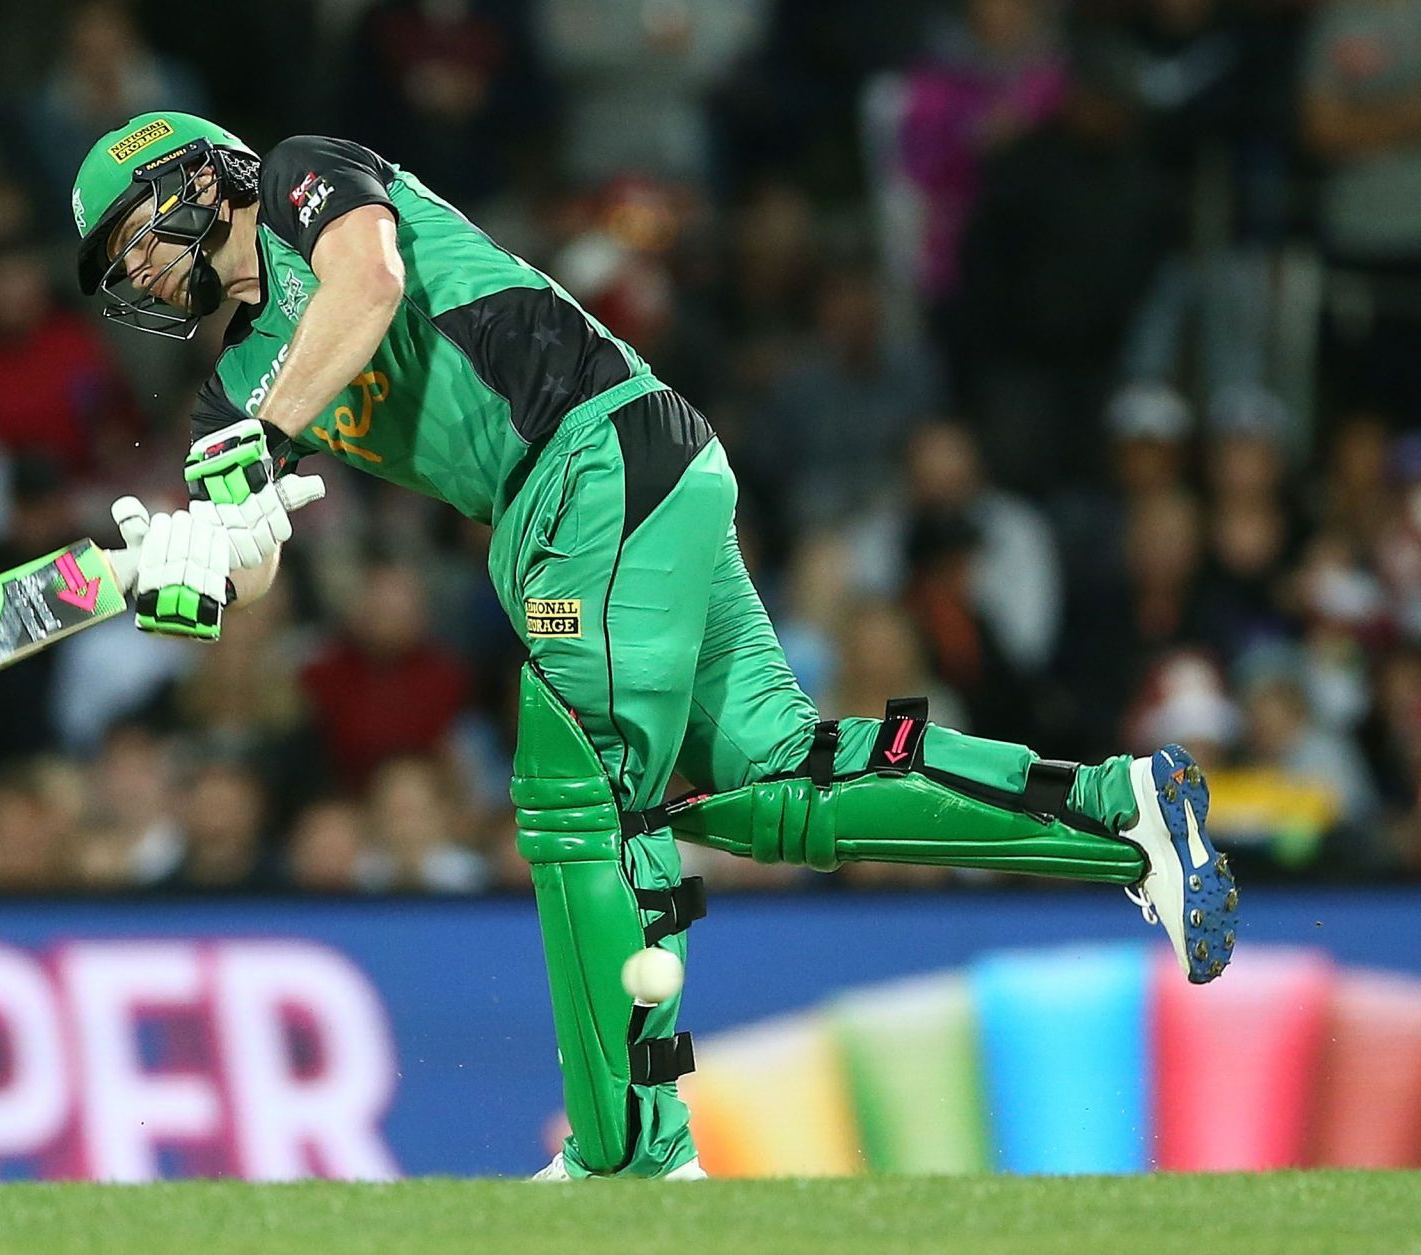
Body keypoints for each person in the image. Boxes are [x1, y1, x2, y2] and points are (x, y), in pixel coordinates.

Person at [67, 112, 1241, 1181]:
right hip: (586, 498)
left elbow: (368, 281)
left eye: (132, 238)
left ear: (197, 176)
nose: (132, 274)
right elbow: (256, 545)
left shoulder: (296, 180)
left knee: (572, 799)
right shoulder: (229, 384)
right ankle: (1124, 815)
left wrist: (256, 441)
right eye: (115, 271)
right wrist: (194, 565)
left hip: (593, 449)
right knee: (771, 787)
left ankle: (629, 1158)